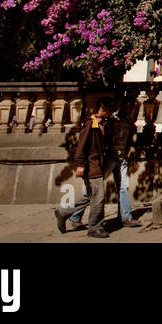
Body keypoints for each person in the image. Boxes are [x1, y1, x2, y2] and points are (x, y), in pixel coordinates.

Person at [67, 100, 140, 230]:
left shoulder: (128, 122)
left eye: (132, 107)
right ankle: (75, 216)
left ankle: (126, 217)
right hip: (109, 157)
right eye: (127, 106)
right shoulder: (109, 120)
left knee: (123, 187)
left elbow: (128, 139)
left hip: (121, 157)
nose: (129, 109)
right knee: (92, 190)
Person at [56, 98, 116, 238]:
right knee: (98, 197)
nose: (109, 113)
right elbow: (81, 146)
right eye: (107, 110)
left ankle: (63, 213)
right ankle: (95, 227)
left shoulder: (104, 124)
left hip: (98, 165)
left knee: (90, 196)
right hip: (91, 166)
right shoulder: (90, 124)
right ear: (101, 109)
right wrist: (80, 165)